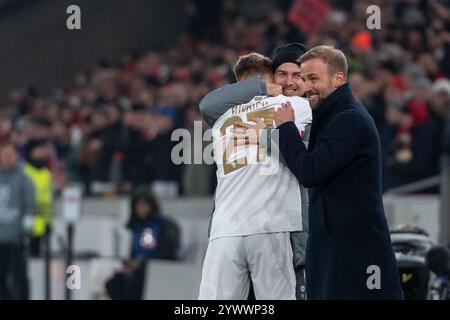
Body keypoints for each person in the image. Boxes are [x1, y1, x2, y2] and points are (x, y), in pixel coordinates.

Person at [270, 45, 403, 299]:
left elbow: (310, 171)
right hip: (337, 244)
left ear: (338, 78)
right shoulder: (331, 114)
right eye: (303, 78)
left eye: (313, 79)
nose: (306, 86)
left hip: (353, 251)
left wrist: (286, 127)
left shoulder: (348, 119)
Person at [199, 43, 310, 299]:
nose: (289, 82)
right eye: (282, 75)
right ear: (270, 78)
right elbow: (304, 158)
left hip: (224, 230)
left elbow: (205, 106)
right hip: (272, 224)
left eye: (297, 75)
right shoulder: (295, 107)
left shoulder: (222, 117)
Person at [106, 188, 180, 300]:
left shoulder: (164, 225)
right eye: (138, 205)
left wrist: (142, 263)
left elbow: (168, 253)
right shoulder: (137, 226)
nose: (141, 209)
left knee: (132, 283)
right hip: (137, 270)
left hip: (155, 269)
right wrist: (129, 265)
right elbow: (133, 253)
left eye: (144, 205)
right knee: (113, 283)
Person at [0, 142, 35, 300]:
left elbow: (29, 201)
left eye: (10, 155)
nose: (7, 158)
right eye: (4, 154)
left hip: (16, 235)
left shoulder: (24, 178)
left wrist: (28, 220)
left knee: (18, 274)